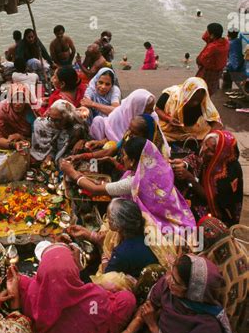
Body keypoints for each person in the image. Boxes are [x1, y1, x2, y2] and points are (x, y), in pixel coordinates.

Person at [17, 244, 135, 333]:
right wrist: (80, 267)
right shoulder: (96, 297)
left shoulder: (33, 295)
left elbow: (21, 281)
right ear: (73, 270)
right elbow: (128, 301)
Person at [61, 137, 197, 255]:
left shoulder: (136, 182)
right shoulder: (159, 168)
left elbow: (95, 190)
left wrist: (72, 173)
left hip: (163, 228)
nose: (122, 158)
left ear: (132, 161)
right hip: (176, 216)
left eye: (124, 155)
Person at [172, 130, 243, 226]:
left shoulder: (228, 175)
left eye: (210, 150)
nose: (204, 149)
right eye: (205, 144)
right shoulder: (209, 157)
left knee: (182, 214)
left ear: (221, 154)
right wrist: (184, 163)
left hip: (218, 214)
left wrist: (190, 178)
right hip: (201, 196)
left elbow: (211, 200)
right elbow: (195, 158)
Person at [155, 76, 223, 143]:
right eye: (192, 99)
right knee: (157, 136)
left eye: (198, 100)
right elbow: (157, 109)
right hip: (170, 130)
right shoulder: (170, 95)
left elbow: (216, 122)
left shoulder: (204, 103)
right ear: (186, 95)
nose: (195, 103)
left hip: (193, 132)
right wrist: (168, 118)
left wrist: (208, 139)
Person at [89, 88, 158, 142]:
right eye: (148, 109)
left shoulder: (152, 116)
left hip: (136, 147)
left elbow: (157, 138)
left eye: (152, 108)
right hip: (110, 141)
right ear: (137, 108)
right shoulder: (119, 113)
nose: (152, 111)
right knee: (98, 121)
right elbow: (110, 131)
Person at [196, 23, 229, 95]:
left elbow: (202, 59)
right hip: (218, 71)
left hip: (209, 71)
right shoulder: (225, 42)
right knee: (211, 87)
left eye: (207, 31)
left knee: (202, 88)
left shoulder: (213, 47)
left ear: (212, 35)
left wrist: (199, 62)